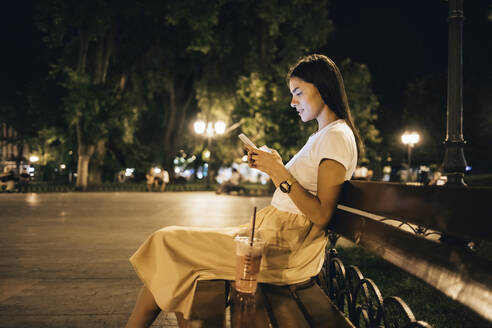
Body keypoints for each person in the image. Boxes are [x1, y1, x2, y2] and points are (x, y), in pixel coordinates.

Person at [125, 54, 362, 327]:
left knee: (166, 242)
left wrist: (278, 171)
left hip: (286, 249)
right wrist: (273, 166)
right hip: (271, 236)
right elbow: (298, 191)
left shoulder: (336, 137)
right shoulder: (324, 136)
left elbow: (321, 215)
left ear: (322, 88)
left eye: (298, 92)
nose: (292, 102)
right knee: (175, 256)